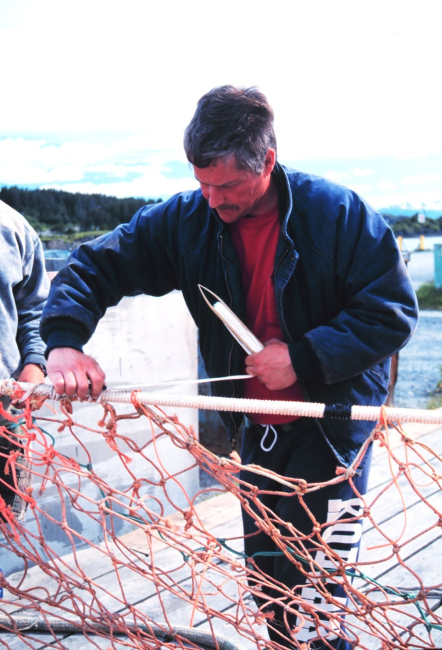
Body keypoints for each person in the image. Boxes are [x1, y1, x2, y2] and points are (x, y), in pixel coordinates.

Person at [40, 86, 418, 648]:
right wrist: (64, 342)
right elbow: (95, 263)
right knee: (268, 587)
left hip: (333, 431)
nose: (212, 199)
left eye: (227, 185)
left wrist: (304, 357)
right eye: (201, 182)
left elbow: (392, 312)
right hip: (255, 431)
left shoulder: (338, 214)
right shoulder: (187, 219)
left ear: (267, 161)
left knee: (321, 600)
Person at [0, 200, 49, 523]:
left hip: (4, 412)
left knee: (5, 518)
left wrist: (34, 363)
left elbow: (34, 311)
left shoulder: (13, 227)